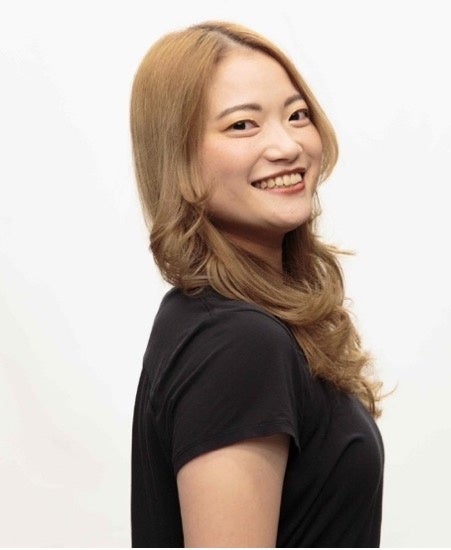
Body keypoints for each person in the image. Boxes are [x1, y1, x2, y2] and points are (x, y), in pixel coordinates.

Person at [130, 20, 385, 548]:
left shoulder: (212, 319)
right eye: (243, 125)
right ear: (180, 158)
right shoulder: (237, 342)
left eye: (297, 115)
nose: (287, 146)